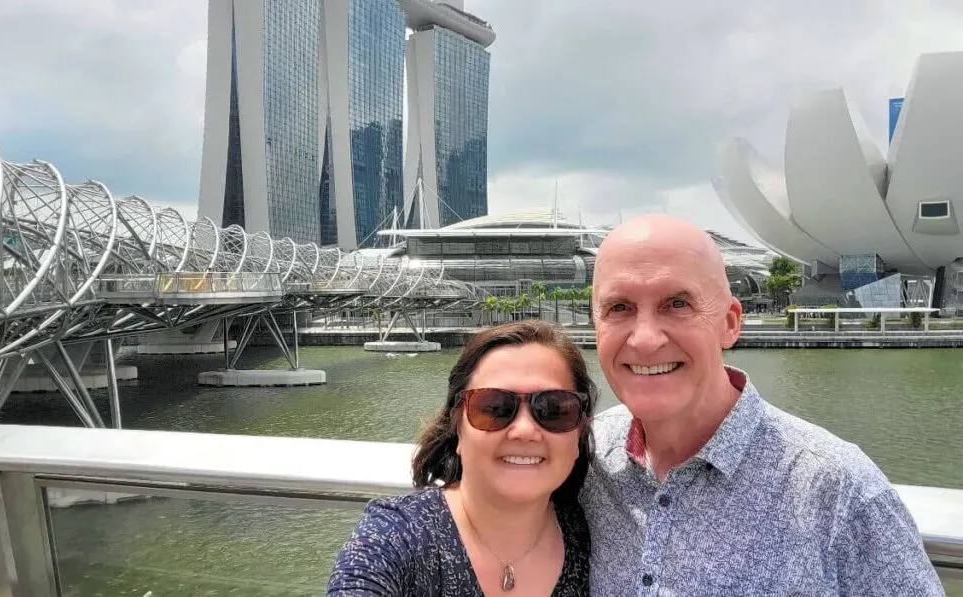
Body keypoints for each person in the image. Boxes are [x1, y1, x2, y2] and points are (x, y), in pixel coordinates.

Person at [583, 213, 943, 596]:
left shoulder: (837, 491)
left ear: (730, 323)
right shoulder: (582, 458)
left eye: (677, 303)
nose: (645, 339)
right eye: (619, 308)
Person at [328, 320, 596, 596]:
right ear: (457, 424)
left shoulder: (598, 538)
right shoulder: (396, 537)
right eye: (494, 407)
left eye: (554, 409)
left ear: (580, 430)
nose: (525, 430)